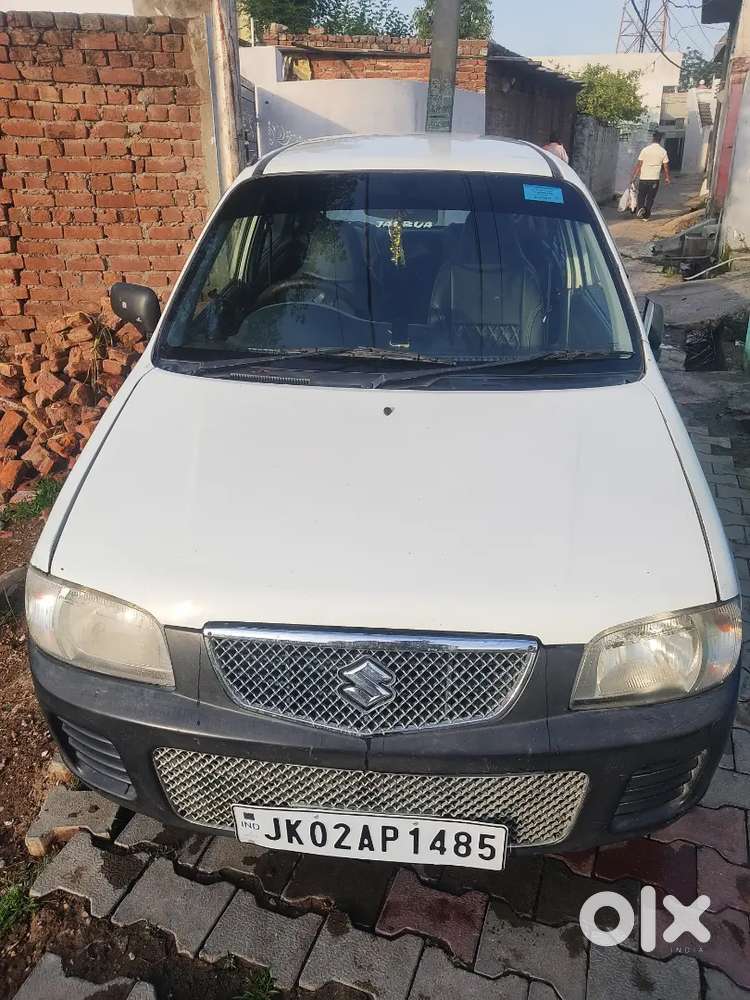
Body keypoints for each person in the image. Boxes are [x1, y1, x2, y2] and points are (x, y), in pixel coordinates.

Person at [631, 131, 670, 219]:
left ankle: (640, 208)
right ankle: (646, 216)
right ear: (660, 140)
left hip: (643, 178)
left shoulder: (645, 150)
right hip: (654, 179)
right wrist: (667, 177)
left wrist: (634, 177)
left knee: (641, 195)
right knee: (650, 198)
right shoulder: (663, 151)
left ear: (652, 139)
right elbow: (666, 166)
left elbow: (639, 165)